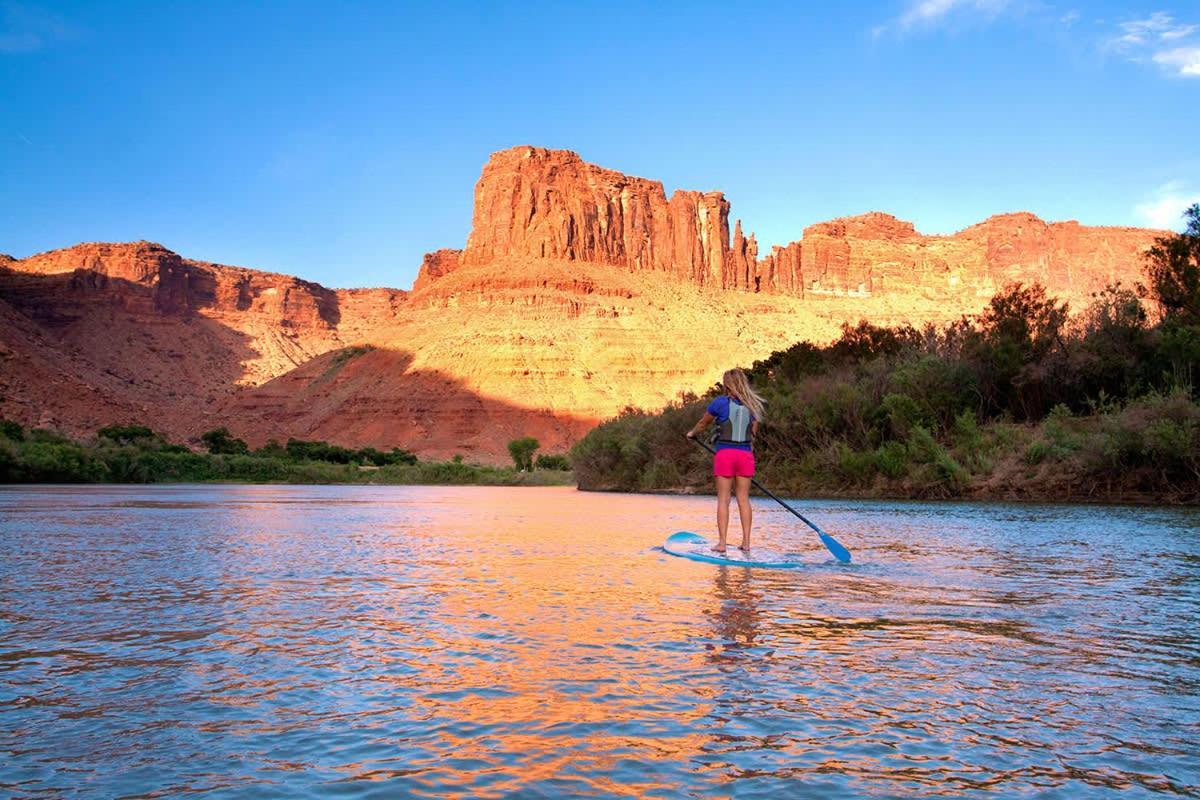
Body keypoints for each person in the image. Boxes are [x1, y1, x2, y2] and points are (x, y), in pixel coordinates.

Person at [685, 369, 766, 553]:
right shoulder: (752, 406)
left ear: (726, 384)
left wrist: (692, 433)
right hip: (745, 455)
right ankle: (746, 543)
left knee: (724, 500)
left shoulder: (720, 403)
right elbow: (753, 434)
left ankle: (722, 544)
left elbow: (703, 423)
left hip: (725, 455)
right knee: (743, 500)